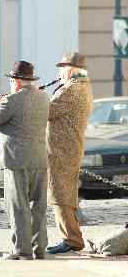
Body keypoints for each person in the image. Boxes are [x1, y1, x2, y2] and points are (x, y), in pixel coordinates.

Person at [0, 61, 49, 260]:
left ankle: (22, 250)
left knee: (18, 206)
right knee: (38, 206)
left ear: (16, 81)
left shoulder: (11, 100)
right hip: (39, 158)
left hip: (16, 160)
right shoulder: (43, 97)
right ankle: (39, 248)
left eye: (12, 79)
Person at [46, 52, 93, 254]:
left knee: (60, 195)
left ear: (72, 69)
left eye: (62, 68)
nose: (59, 71)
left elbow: (47, 111)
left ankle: (71, 239)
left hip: (62, 151)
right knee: (64, 193)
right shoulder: (80, 87)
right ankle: (71, 237)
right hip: (67, 149)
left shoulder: (72, 89)